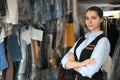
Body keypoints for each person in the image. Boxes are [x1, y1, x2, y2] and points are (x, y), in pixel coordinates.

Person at [61, 6, 111, 80]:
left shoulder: (103, 41)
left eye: (93, 18)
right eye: (87, 18)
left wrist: (72, 63)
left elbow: (89, 71)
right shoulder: (82, 39)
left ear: (101, 19)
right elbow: (63, 62)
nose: (89, 22)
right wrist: (82, 63)